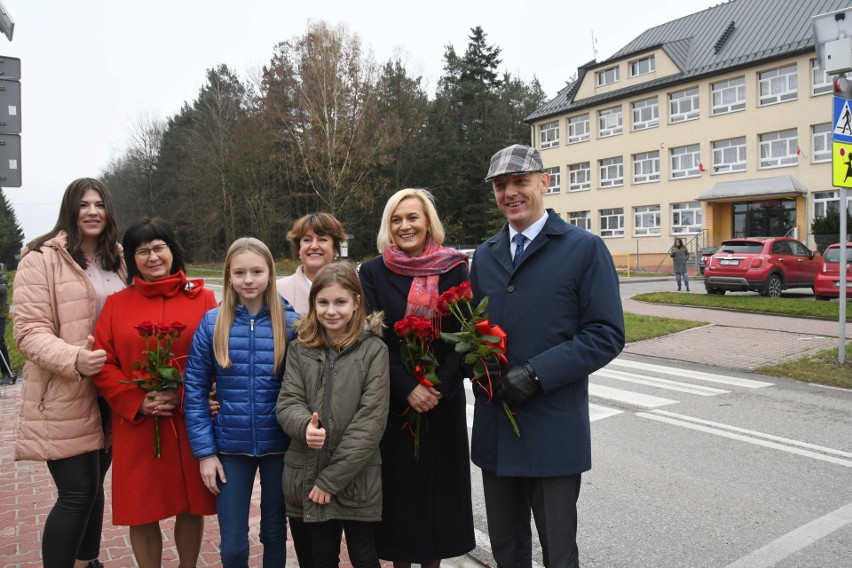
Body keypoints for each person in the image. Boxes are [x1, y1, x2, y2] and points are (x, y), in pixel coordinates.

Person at [471, 144, 625, 568]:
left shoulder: (583, 249)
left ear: (545, 182)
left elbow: (605, 334)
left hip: (553, 429)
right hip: (497, 428)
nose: (510, 193)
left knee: (558, 553)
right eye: (501, 186)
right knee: (507, 551)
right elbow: (476, 329)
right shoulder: (485, 256)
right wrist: (473, 363)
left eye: (520, 182)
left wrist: (536, 374)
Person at [12, 177, 125, 568]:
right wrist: (75, 359)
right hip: (64, 391)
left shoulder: (117, 258)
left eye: (99, 204)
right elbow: (28, 332)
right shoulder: (40, 258)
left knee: (94, 490)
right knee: (77, 493)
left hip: (110, 393)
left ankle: (86, 561)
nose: (92, 211)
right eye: (83, 204)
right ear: (70, 211)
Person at [358, 188, 475, 568]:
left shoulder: (454, 266)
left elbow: (466, 334)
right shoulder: (373, 272)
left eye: (413, 217)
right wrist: (408, 387)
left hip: (442, 403)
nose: (405, 225)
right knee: (400, 500)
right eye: (397, 219)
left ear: (428, 222)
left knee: (436, 503)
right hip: (395, 404)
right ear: (387, 227)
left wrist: (435, 387)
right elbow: (372, 340)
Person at [91, 217, 217, 568]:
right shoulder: (117, 304)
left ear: (172, 251)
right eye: (141, 251)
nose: (152, 257)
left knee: (191, 503)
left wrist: (186, 396)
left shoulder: (203, 297)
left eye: (158, 247)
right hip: (137, 425)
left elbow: (219, 357)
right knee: (141, 510)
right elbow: (103, 360)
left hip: (188, 419)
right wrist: (135, 400)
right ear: (132, 259)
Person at [184, 237, 299, 568]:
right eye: (239, 273)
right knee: (233, 545)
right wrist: (205, 453)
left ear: (270, 273)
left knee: (274, 534)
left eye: (256, 271)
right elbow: (194, 389)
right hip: (230, 450)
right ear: (229, 276)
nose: (248, 280)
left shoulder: (291, 324)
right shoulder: (211, 323)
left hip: (280, 447)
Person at [276, 261, 390, 568]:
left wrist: (330, 481)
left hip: (356, 476)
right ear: (313, 305)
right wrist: (304, 427)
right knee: (318, 558)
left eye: (340, 302)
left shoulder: (374, 350)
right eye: (323, 302)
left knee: (364, 556)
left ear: (356, 302)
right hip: (305, 471)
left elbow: (371, 422)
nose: (331, 311)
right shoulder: (300, 349)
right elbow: (287, 402)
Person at [277, 212, 347, 315]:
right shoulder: (277, 290)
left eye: (322, 239)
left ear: (335, 249)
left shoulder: (351, 288)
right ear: (299, 248)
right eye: (307, 240)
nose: (314, 246)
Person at [0, 271, 15, 384]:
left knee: (0, 341)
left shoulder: (3, 279)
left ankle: (7, 373)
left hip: (1, 314)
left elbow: (3, 290)